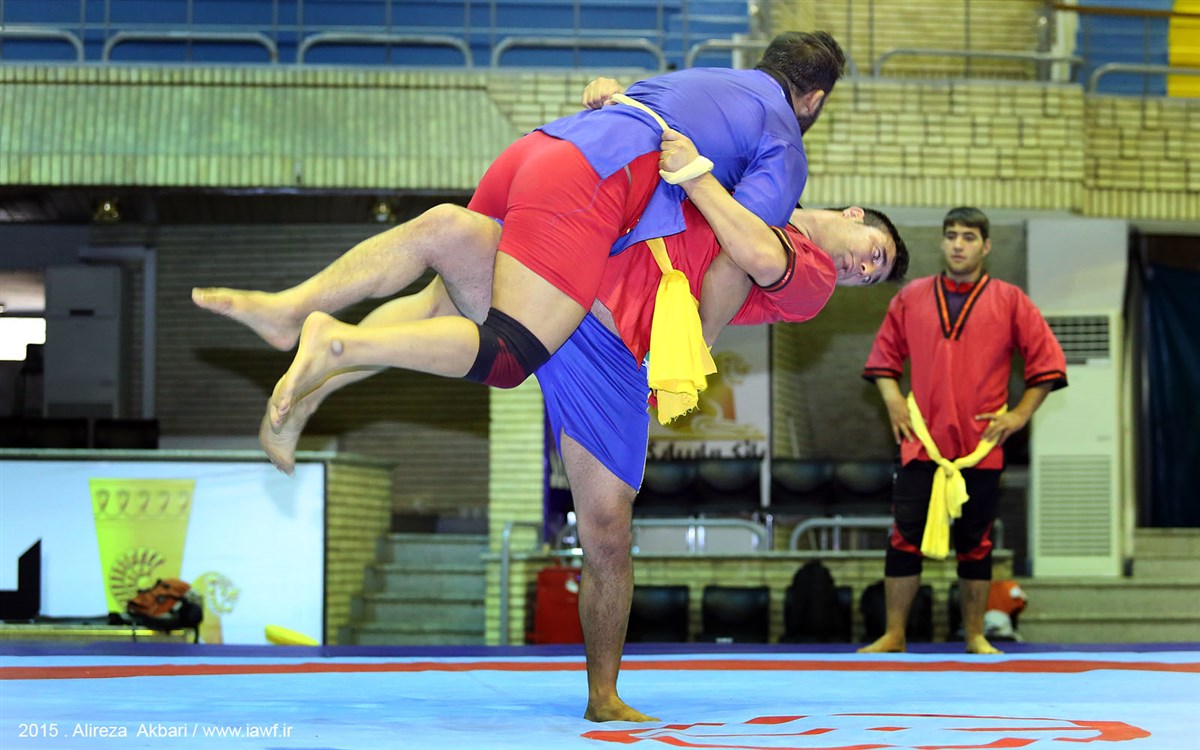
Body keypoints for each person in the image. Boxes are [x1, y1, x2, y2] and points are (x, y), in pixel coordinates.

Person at [193, 131, 906, 723]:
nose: (862, 267)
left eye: (871, 277)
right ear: (855, 212)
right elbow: (668, 124)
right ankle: (304, 332)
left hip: (617, 351)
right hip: (572, 274)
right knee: (447, 230)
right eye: (873, 249)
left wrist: (693, 183)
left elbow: (736, 263)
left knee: (606, 532)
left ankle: (604, 695)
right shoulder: (760, 176)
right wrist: (614, 106)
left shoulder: (810, 275)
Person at [246, 30, 845, 430]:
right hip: (592, 180)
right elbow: (742, 248)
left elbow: (618, 103)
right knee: (509, 355)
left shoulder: (701, 77)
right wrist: (697, 348)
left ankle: (299, 330)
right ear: (813, 100)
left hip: (542, 146)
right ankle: (337, 341)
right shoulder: (783, 139)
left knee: (438, 298)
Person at [857, 206, 1066, 656]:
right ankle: (895, 634)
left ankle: (975, 634)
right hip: (921, 443)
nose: (958, 244)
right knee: (904, 538)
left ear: (985, 246)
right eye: (951, 235)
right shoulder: (911, 297)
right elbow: (884, 360)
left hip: (980, 447)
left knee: (976, 542)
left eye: (969, 237)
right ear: (942, 241)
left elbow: (1047, 365)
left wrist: (1019, 416)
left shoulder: (1011, 300)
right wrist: (892, 399)